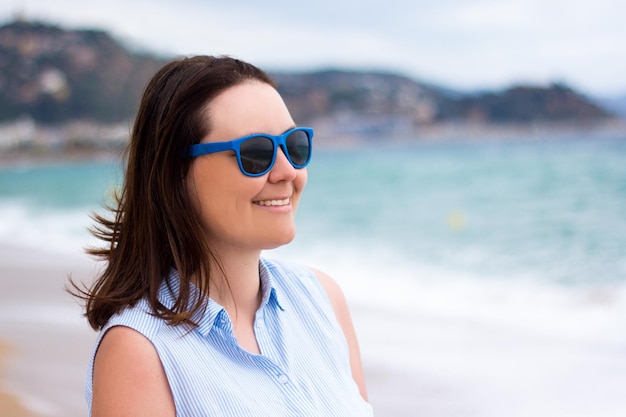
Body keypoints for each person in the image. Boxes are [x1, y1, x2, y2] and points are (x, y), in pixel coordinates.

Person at [72, 55, 373, 416]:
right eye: (256, 153)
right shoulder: (140, 352)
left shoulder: (322, 299)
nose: (287, 171)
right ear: (175, 175)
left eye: (294, 146)